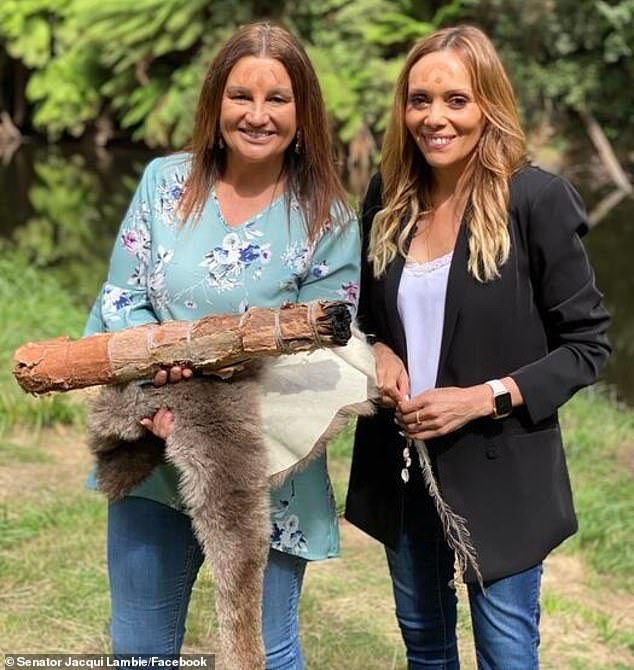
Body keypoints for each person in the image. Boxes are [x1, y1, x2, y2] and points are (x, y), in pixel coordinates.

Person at [84, 21, 360, 669]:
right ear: (215, 102)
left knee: (262, 651)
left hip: (268, 471)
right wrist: (153, 401)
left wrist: (218, 426)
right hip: (151, 448)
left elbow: (329, 358)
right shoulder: (163, 184)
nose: (257, 115)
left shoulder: (328, 219)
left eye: (277, 99)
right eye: (241, 96)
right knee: (140, 653)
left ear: (303, 111)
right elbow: (120, 304)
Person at [345, 24, 610, 669]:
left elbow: (588, 345)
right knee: (426, 649)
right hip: (404, 469)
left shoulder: (536, 200)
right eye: (420, 100)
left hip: (501, 472)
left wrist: (484, 398)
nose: (434, 118)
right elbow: (358, 317)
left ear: (488, 102)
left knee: (507, 656)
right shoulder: (387, 198)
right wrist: (374, 347)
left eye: (455, 100)